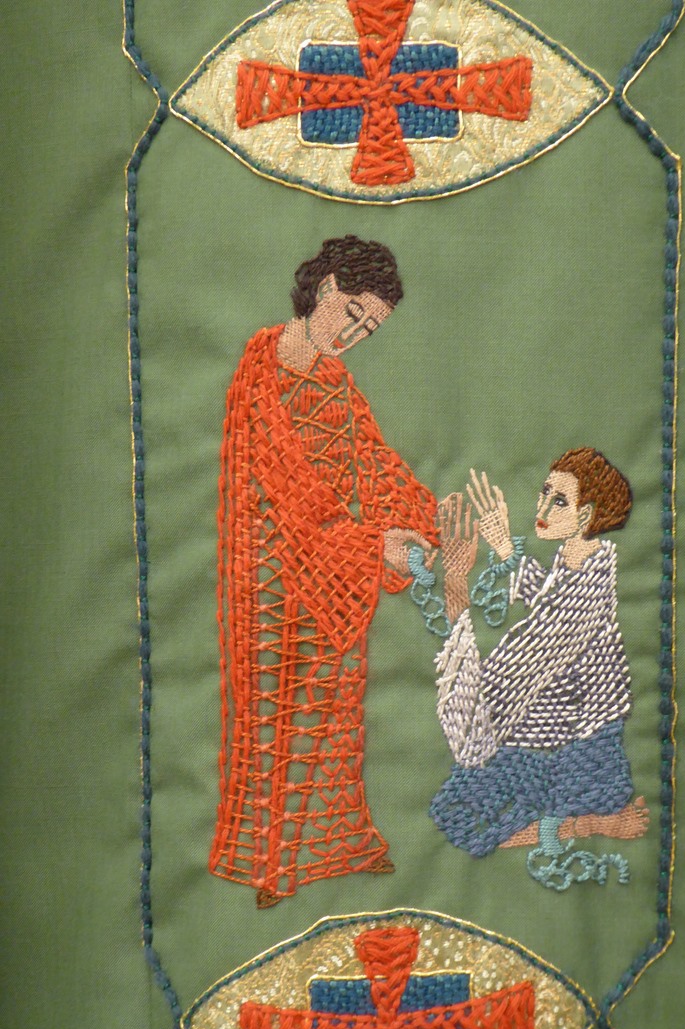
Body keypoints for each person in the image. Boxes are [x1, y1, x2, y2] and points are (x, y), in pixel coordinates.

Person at [210, 236, 438, 906]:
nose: (355, 335)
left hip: (335, 569)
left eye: (370, 329)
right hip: (274, 580)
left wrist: (422, 518)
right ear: (328, 288)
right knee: (279, 718)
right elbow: (288, 485)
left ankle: (334, 849)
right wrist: (371, 546)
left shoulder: (336, 382)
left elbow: (375, 460)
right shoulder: (260, 368)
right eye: (354, 314)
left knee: (332, 717)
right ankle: (271, 867)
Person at [430, 448, 648, 856]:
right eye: (545, 492)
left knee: (458, 817)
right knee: (453, 812)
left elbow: (531, 655)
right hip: (547, 741)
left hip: (576, 752)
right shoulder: (576, 565)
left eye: (559, 501)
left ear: (585, 516)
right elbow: (546, 596)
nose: (543, 507)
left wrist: (457, 581)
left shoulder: (588, 590)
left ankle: (592, 824)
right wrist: (504, 547)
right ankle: (576, 825)